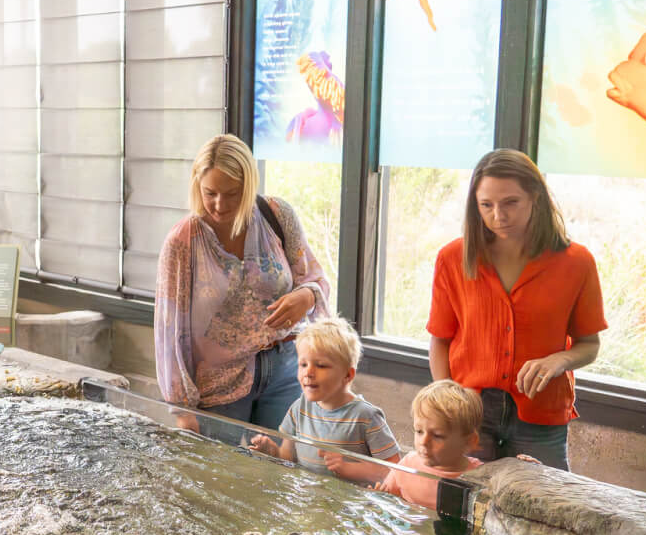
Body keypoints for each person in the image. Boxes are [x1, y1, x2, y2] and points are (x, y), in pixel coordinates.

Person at [427, 149, 605, 471]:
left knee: (545, 510)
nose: (498, 216)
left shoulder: (577, 262)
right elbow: (440, 340)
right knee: (466, 504)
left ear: (535, 195)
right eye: (486, 205)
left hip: (541, 415)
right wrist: (446, 407)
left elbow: (589, 344)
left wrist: (557, 360)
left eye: (510, 202)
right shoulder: (452, 258)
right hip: (470, 413)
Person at [155, 134, 330, 430]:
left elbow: (315, 279)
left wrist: (307, 296)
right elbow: (169, 332)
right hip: (218, 387)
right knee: (218, 476)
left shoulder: (276, 215)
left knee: (281, 471)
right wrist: (182, 410)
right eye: (210, 193)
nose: (219, 205)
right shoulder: (183, 242)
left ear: (249, 186)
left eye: (232, 193)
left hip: (286, 370)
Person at [248, 316, 400, 484]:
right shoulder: (300, 407)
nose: (308, 372)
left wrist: (350, 468)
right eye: (303, 364)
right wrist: (274, 452)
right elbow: (289, 457)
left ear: (347, 375)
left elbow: (395, 472)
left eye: (320, 365)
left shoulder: (366, 416)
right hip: (308, 498)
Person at [377, 380, 485, 510]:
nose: (423, 442)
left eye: (437, 436)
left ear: (468, 441)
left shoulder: (480, 477)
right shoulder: (407, 466)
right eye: (419, 431)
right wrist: (381, 497)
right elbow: (388, 503)